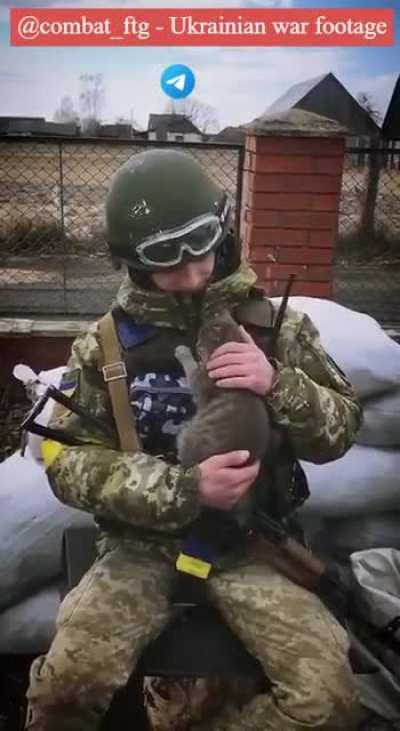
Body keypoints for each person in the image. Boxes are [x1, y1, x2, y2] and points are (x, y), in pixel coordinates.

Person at [26, 148, 363, 730]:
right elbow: (64, 461)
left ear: (222, 229)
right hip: (140, 548)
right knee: (64, 692)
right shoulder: (104, 347)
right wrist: (184, 488)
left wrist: (278, 383)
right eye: (165, 262)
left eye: (199, 247)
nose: (190, 274)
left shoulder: (277, 329)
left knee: (328, 701)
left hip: (252, 544)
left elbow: (341, 432)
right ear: (132, 263)